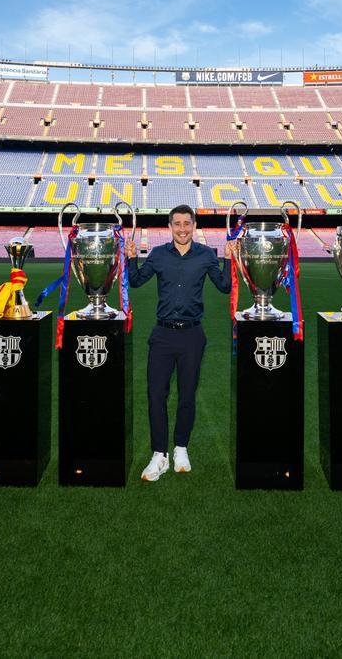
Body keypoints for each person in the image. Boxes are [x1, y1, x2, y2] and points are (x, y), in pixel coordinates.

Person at [125, 205, 238, 481]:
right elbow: (137, 281)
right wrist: (130, 259)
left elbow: (224, 286)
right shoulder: (159, 254)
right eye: (177, 224)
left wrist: (228, 259)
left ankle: (180, 448)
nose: (183, 229)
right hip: (162, 335)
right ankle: (159, 454)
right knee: (156, 396)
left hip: (192, 336)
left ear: (194, 224)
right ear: (170, 226)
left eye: (187, 223)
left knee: (187, 396)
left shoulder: (206, 255)